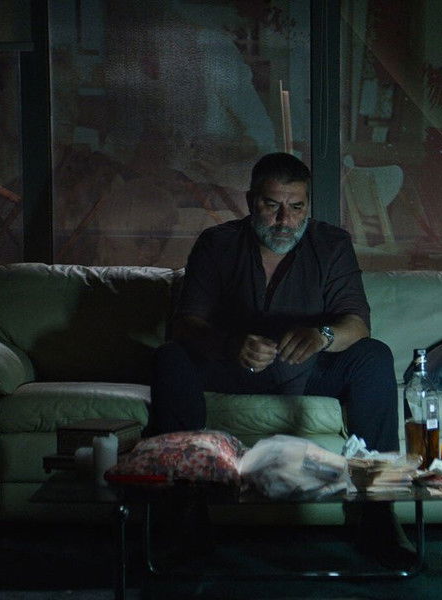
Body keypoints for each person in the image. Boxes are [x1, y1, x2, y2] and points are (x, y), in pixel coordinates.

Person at [150, 152, 415, 568]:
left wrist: (323, 336)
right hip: (231, 368)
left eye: (296, 207)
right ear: (250, 201)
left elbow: (357, 323)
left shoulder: (332, 243)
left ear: (308, 205)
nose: (284, 220)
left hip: (306, 370)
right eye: (272, 205)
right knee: (170, 358)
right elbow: (185, 324)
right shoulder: (217, 243)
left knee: (374, 356)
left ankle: (378, 513)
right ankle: (183, 515)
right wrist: (229, 344)